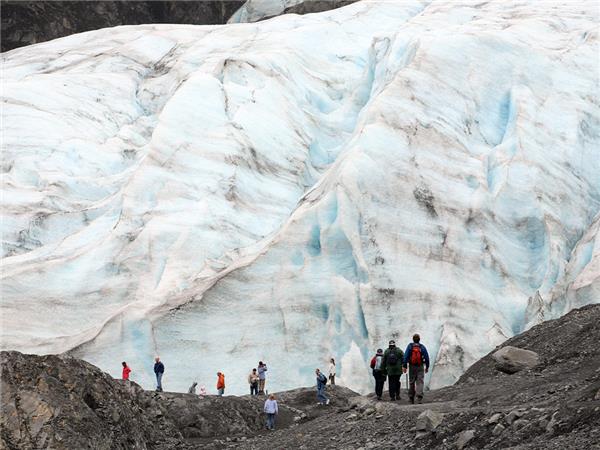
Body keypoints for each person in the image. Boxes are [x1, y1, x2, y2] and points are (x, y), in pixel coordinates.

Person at [403, 333, 430, 404]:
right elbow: (426, 357)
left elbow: (405, 356)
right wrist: (427, 367)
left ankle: (411, 398)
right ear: (419, 339)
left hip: (412, 366)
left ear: (413, 339)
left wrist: (404, 366)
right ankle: (419, 398)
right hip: (420, 366)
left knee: (412, 382)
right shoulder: (422, 347)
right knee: (420, 382)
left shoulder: (410, 346)